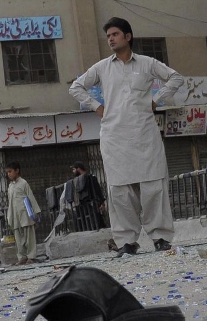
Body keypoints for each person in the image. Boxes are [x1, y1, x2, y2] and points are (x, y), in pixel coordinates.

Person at [70, 17, 184, 255]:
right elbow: (75, 87)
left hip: (144, 132)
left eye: (115, 34)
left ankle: (161, 237)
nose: (110, 38)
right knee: (120, 191)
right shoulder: (101, 67)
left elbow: (176, 78)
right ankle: (127, 242)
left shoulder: (147, 63)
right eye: (108, 35)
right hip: (114, 135)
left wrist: (156, 100)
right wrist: (97, 107)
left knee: (153, 186)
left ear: (128, 36)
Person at [4, 162, 39, 265]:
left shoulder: (23, 183)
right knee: (18, 238)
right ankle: (22, 257)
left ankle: (31, 256)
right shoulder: (10, 186)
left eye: (10, 171)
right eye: (7, 172)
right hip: (15, 216)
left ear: (17, 171)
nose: (8, 174)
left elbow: (31, 197)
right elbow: (10, 202)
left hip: (26, 213)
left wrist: (36, 211)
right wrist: (9, 216)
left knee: (29, 236)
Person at [62, 162, 105, 232]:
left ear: (78, 169)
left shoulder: (91, 178)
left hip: (91, 204)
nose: (73, 171)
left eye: (74, 169)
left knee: (95, 221)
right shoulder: (75, 181)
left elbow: (98, 191)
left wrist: (102, 203)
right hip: (80, 205)